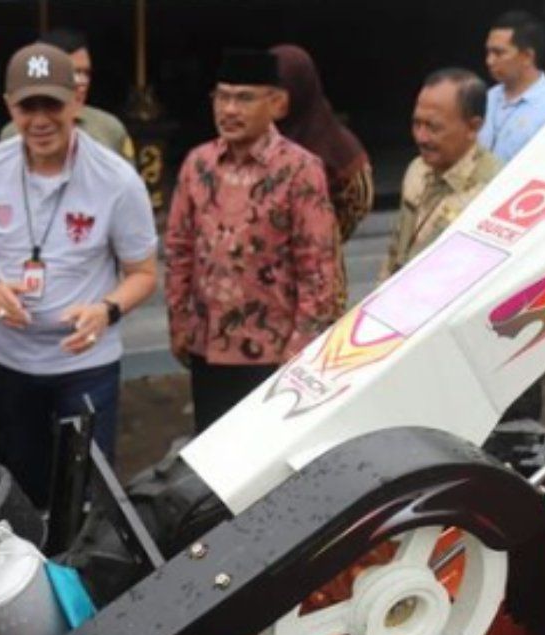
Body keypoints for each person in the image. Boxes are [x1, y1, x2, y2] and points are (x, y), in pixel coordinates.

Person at [0, 43, 158, 507]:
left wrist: (106, 310)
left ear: (77, 101)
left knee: (87, 487)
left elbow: (143, 273)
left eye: (52, 104)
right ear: (9, 106)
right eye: (28, 106)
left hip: (84, 364)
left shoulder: (117, 179)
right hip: (6, 360)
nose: (40, 120)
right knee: (21, 483)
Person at [166, 48, 340, 434]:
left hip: (272, 353)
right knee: (210, 457)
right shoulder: (198, 164)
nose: (229, 109)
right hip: (207, 347)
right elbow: (179, 250)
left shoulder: (300, 169)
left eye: (243, 98)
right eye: (222, 97)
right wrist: (178, 322)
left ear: (276, 103)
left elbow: (319, 269)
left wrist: (300, 350)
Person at [270, 43, 373, 315]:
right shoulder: (255, 141)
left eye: (281, 88)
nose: (273, 98)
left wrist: (319, 234)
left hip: (318, 282)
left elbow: (358, 200)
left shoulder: (335, 144)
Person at [381, 68, 500, 278]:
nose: (421, 137)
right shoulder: (417, 170)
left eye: (433, 127)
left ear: (473, 127)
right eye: (416, 124)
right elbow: (397, 250)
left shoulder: (495, 191)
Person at [0, 28, 136, 162]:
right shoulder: (13, 134)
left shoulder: (108, 129)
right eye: (73, 73)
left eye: (86, 73)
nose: (82, 81)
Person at [480, 10, 545, 164]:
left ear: (527, 56)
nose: (489, 61)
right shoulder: (488, 97)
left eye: (498, 53)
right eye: (488, 52)